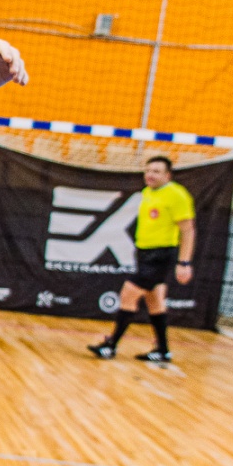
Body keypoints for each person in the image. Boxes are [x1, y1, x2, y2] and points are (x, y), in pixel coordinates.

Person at [89, 154, 196, 364]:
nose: (150, 175)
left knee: (128, 293)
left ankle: (111, 345)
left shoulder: (177, 195)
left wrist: (184, 262)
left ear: (167, 175)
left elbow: (188, 230)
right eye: (147, 171)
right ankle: (162, 350)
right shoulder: (147, 192)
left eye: (156, 171)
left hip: (161, 254)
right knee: (155, 301)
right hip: (145, 253)